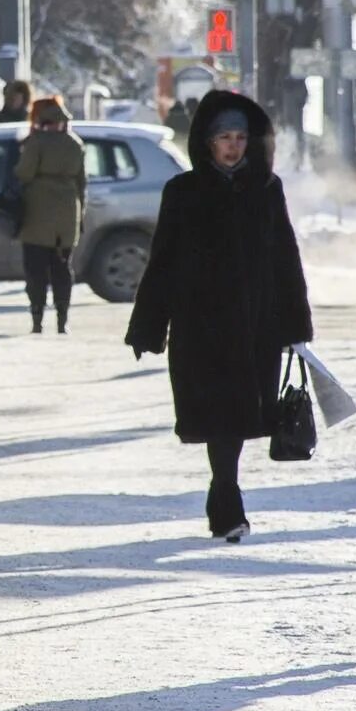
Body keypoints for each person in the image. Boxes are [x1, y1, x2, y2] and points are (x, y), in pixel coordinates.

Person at [124, 90, 314, 542]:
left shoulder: (267, 190)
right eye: (224, 137)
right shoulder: (183, 192)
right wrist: (148, 325)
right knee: (219, 416)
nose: (234, 146)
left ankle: (223, 492)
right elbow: (163, 262)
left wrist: (295, 325)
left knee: (243, 415)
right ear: (207, 142)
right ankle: (227, 499)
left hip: (256, 326)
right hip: (201, 326)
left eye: (240, 137)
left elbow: (286, 258)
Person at [14, 93, 87, 334]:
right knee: (62, 268)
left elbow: (24, 174)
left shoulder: (36, 143)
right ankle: (62, 319)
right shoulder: (75, 144)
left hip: (38, 214)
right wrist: (80, 217)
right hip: (68, 215)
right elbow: (82, 184)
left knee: (36, 270)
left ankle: (37, 318)